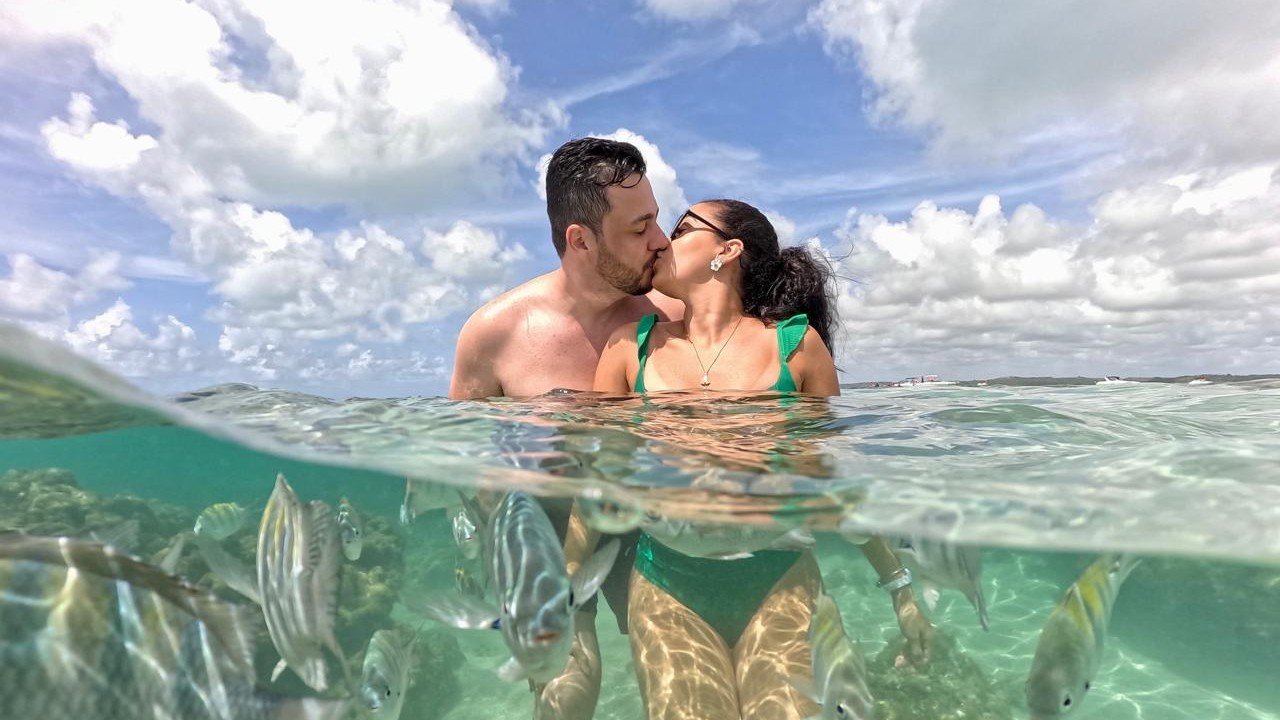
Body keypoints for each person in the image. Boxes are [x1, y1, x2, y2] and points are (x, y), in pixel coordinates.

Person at [593, 199, 933, 719]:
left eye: (681, 230)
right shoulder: (628, 349)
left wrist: (900, 589)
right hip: (667, 585)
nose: (660, 240)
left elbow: (832, 482)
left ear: (727, 251)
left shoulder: (796, 348)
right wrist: (560, 584)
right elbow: (597, 478)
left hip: (779, 578)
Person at [449, 137, 682, 719]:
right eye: (640, 228)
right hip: (547, 529)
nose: (661, 241)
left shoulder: (672, 319)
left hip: (646, 524)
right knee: (562, 687)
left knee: (676, 674)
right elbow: (469, 459)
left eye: (656, 220)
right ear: (580, 239)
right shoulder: (494, 332)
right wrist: (499, 557)